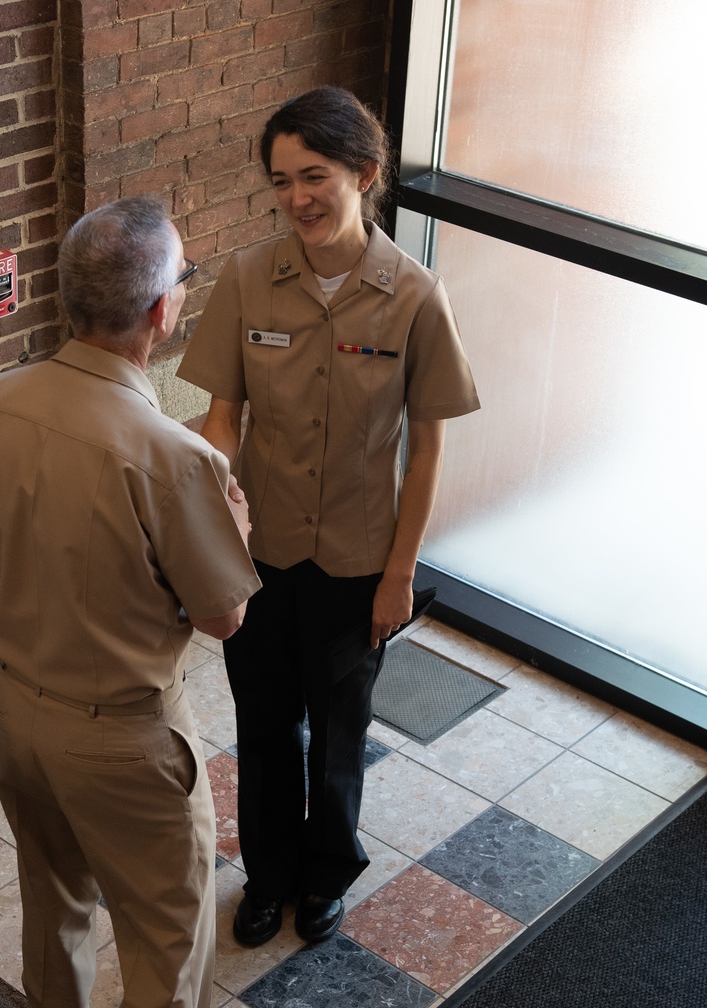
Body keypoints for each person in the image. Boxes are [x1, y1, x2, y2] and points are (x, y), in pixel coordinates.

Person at [0, 195, 260, 1008]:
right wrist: (237, 523)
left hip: (21, 711)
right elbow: (224, 617)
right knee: (169, 941)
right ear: (161, 316)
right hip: (127, 741)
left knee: (57, 895)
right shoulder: (177, 456)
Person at [177, 86, 480, 949]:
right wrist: (211, 530)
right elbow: (222, 423)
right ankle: (268, 877)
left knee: (339, 733)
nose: (297, 198)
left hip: (356, 563)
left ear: (365, 173)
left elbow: (426, 452)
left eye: (315, 176)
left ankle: (325, 875)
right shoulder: (245, 280)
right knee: (265, 727)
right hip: (261, 555)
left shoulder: (416, 297)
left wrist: (399, 575)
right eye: (280, 181)